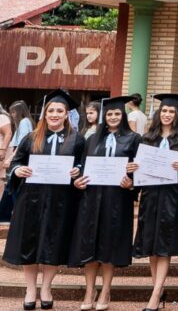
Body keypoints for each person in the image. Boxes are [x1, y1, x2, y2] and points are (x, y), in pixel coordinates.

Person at [3, 89, 85, 310]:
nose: (55, 114)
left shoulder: (76, 139)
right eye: (51, 111)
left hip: (61, 201)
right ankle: (30, 289)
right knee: (28, 245)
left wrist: (77, 171)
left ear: (67, 114)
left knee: (53, 245)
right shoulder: (31, 137)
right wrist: (18, 170)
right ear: (45, 113)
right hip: (31, 201)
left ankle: (47, 288)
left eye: (60, 111)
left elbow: (83, 165)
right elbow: (15, 164)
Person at [71, 95, 141, 311]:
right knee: (89, 245)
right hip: (91, 199)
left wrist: (131, 183)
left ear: (123, 116)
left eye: (117, 114)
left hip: (117, 200)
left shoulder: (134, 139)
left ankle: (105, 290)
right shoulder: (92, 139)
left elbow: (139, 170)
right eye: (109, 114)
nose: (112, 117)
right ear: (104, 116)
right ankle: (89, 290)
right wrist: (78, 180)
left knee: (110, 246)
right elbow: (82, 166)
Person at [134, 94, 178, 311]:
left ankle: (156, 293)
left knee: (165, 245)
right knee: (151, 244)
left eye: (171, 112)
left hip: (173, 196)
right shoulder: (147, 138)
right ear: (159, 114)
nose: (167, 115)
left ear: (177, 115)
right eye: (164, 111)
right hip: (150, 195)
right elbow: (138, 166)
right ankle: (156, 288)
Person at [1, 101, 35, 221]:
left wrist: (10, 159)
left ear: (20, 112)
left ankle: (11, 219)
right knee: (9, 194)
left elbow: (21, 145)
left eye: (14, 112)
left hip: (17, 162)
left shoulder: (24, 122)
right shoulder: (24, 123)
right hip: (16, 161)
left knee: (13, 192)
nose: (12, 115)